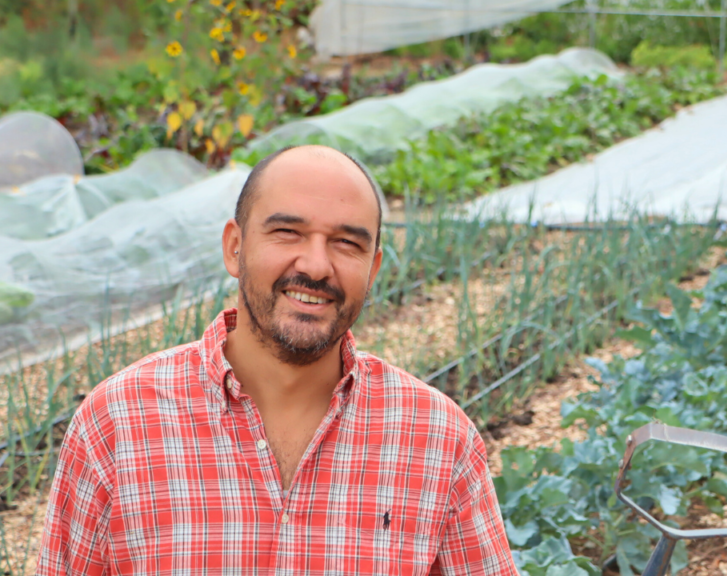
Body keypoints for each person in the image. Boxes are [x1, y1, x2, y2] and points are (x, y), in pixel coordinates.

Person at [36, 145, 518, 575]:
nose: (315, 265)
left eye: (347, 243)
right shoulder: (118, 423)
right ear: (235, 246)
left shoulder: (437, 439)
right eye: (287, 232)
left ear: (373, 268)